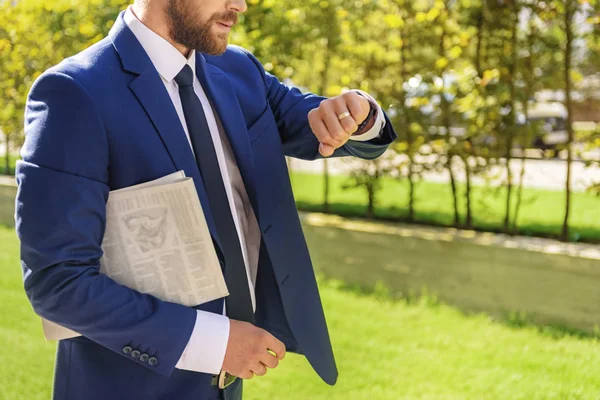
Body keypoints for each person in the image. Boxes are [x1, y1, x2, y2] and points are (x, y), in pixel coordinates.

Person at [15, 0, 397, 399]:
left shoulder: (239, 70)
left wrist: (358, 115)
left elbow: (320, 122)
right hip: (129, 386)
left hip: (228, 387)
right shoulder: (74, 92)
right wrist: (215, 343)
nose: (241, 5)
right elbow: (58, 282)